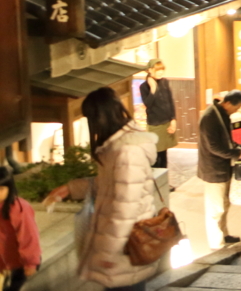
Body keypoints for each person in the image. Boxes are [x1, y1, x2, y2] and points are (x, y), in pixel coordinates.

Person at [46, 87, 161, 290]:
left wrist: (108, 253)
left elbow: (126, 210)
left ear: (99, 117)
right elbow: (108, 184)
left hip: (125, 250)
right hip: (123, 249)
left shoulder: (126, 152)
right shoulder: (116, 147)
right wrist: (71, 188)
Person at [198, 90, 241, 248]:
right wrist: (236, 153)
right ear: (227, 103)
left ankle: (224, 235)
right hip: (213, 170)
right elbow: (213, 147)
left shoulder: (220, 114)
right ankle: (216, 243)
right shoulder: (210, 118)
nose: (237, 110)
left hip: (223, 168)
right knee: (215, 209)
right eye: (237, 107)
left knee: (223, 206)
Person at [0, 166, 40, 291]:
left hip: (18, 264)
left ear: (9, 189)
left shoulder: (19, 208)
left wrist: (30, 263)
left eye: (0, 189)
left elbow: (28, 237)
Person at [139, 59, 177, 169]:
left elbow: (170, 101)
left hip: (167, 122)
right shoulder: (144, 86)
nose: (161, 72)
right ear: (150, 70)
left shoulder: (165, 82)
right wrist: (153, 88)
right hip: (155, 124)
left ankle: (164, 182)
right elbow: (148, 104)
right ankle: (157, 182)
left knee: (164, 154)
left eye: (162, 70)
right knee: (155, 155)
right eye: (158, 70)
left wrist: (173, 120)